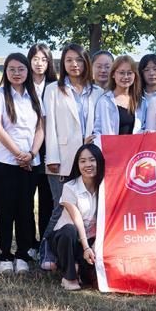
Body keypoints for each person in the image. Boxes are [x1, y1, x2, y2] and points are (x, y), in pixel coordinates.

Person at [42, 44, 102, 268]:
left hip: (89, 158)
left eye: (78, 60)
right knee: (61, 207)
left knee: (86, 208)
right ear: (62, 64)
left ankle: (76, 254)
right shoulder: (52, 90)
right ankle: (47, 250)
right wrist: (52, 157)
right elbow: (50, 127)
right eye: (68, 60)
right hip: (63, 157)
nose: (74, 64)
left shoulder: (96, 91)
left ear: (86, 62)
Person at [0, 53, 45, 274]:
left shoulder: (35, 96)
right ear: (6, 71)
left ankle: (22, 253)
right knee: (5, 209)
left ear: (27, 71)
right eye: (12, 69)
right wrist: (18, 154)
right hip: (5, 161)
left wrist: (31, 154)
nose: (16, 73)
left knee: (25, 209)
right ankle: (5, 254)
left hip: (31, 161)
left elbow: (41, 128)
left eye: (21, 69)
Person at [47, 144, 104, 291]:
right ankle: (69, 277)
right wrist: (86, 247)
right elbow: (76, 218)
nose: (88, 165)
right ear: (77, 165)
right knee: (69, 230)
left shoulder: (105, 188)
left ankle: (73, 265)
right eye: (82, 161)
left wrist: (94, 246)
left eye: (92, 160)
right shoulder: (70, 187)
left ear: (99, 161)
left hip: (91, 240)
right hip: (66, 238)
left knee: (92, 280)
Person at [28, 43, 59, 261]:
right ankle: (30, 242)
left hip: (50, 148)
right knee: (27, 199)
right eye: (36, 59)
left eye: (44, 59)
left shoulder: (55, 86)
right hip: (26, 149)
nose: (39, 63)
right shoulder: (21, 84)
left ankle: (46, 243)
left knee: (48, 199)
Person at [94, 55, 147, 136]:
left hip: (135, 147)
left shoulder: (141, 102)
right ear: (113, 75)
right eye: (121, 73)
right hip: (111, 147)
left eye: (129, 73)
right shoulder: (104, 101)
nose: (126, 77)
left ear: (135, 75)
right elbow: (98, 130)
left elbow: (143, 128)